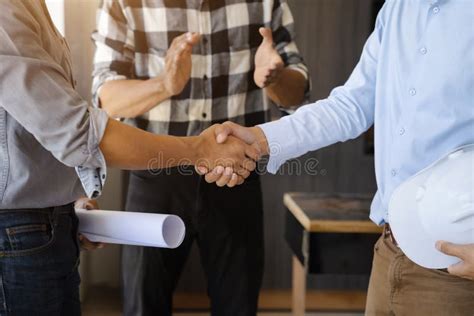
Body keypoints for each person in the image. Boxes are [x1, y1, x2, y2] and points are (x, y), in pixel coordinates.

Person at [203, 0, 474, 314]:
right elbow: (352, 106)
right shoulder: (397, 9)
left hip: (457, 268)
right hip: (389, 248)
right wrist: (261, 138)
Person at [0, 1, 258, 315]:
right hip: (22, 236)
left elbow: (36, 129)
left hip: (45, 226)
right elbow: (79, 128)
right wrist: (198, 147)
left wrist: (67, 202)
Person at [92, 1, 309, 315]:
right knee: (143, 305)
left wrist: (275, 79)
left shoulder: (264, 4)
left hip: (237, 176)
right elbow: (106, 99)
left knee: (239, 306)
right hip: (155, 177)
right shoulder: (124, 3)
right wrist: (164, 84)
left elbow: (298, 95)